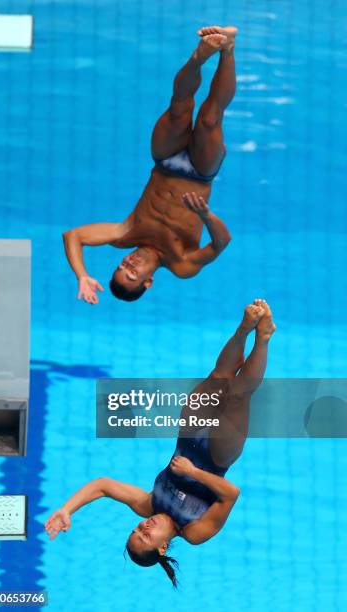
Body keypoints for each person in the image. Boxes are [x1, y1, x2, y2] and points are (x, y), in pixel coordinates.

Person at [45, 300, 276, 586]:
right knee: (239, 394)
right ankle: (264, 336)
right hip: (219, 456)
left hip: (188, 434)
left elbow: (103, 485)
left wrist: (67, 509)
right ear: (162, 547)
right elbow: (231, 493)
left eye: (135, 531)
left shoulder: (147, 504)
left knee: (219, 377)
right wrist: (193, 473)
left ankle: (244, 329)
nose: (143, 527)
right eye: (146, 536)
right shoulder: (194, 532)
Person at [62, 25, 238, 303]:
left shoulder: (125, 233)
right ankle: (227, 48)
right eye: (132, 275)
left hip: (166, 161)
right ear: (149, 282)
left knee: (179, 108)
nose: (128, 265)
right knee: (210, 118)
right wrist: (205, 215)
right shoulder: (181, 264)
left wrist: (82, 275)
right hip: (200, 174)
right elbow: (221, 243)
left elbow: (73, 235)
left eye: (121, 267)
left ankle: (199, 57)